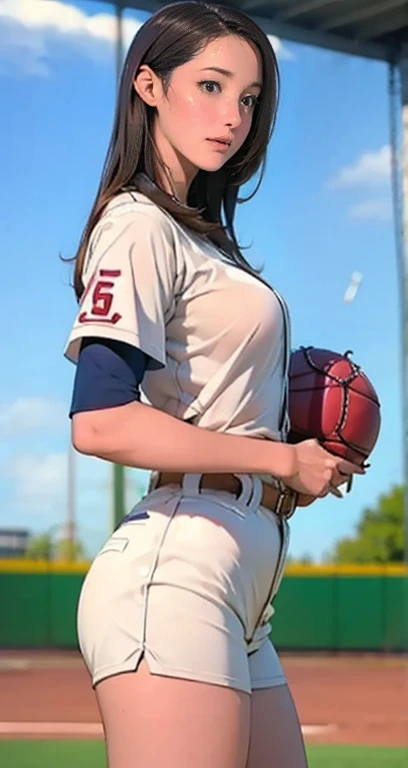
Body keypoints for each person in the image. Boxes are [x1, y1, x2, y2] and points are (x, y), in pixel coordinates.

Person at [64, 3, 363, 766]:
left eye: (249, 98)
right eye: (210, 85)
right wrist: (276, 460)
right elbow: (100, 422)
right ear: (149, 86)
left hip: (241, 584)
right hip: (179, 570)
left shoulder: (202, 237)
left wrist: (293, 450)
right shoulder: (137, 223)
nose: (231, 115)